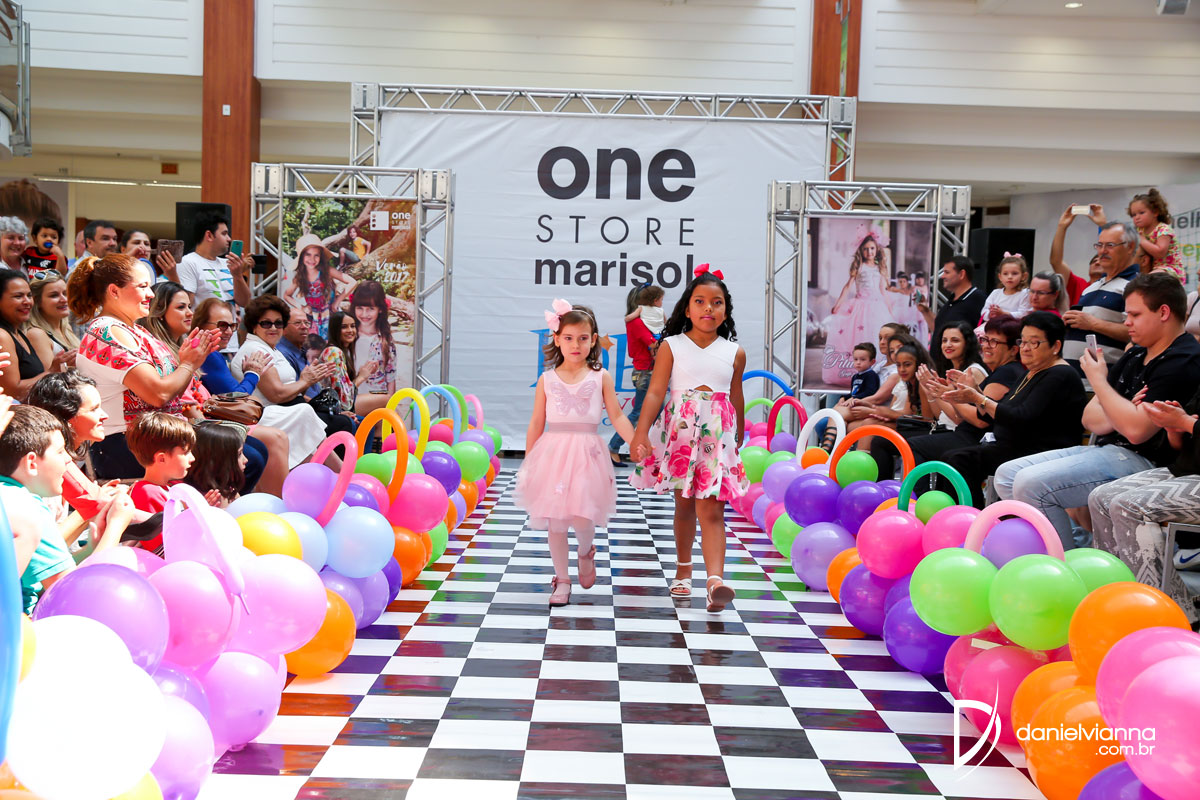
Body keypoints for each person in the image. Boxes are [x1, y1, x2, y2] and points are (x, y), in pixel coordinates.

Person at [995, 274, 1200, 547]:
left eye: (1135, 315)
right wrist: (1124, 410)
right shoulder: (1136, 353)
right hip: (1109, 449)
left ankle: (1066, 561)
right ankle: (1080, 545)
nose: (1126, 322)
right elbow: (1090, 419)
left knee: (1030, 484)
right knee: (1006, 476)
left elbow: (1136, 431)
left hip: (1146, 460)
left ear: (1163, 312)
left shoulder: (1182, 359)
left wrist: (1100, 383)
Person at [630, 264, 748, 612]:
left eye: (717, 302)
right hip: (681, 433)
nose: (708, 308)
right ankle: (684, 569)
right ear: (686, 308)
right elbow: (655, 392)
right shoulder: (672, 345)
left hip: (716, 436)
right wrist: (641, 433)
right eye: (700, 301)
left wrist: (739, 430)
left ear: (725, 310)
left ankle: (715, 582)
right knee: (684, 504)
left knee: (711, 508)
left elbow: (736, 394)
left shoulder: (734, 352)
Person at [515, 300, 634, 607]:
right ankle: (562, 579)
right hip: (553, 454)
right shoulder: (547, 379)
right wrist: (529, 462)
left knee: (583, 515)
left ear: (593, 340)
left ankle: (585, 551)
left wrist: (635, 442)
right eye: (568, 338)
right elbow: (536, 422)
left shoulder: (600, 376)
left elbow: (618, 416)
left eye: (582, 338)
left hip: (587, 454)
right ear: (556, 339)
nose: (575, 345)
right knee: (556, 519)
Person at [67, 253, 218, 479]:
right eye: (143, 286)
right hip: (125, 445)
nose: (151, 294)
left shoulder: (134, 330)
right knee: (232, 455)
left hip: (153, 439)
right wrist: (188, 364)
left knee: (238, 445)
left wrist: (191, 360)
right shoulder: (106, 332)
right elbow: (159, 394)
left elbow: (170, 391)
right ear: (114, 291)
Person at [938, 312, 1087, 509]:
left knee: (958, 461)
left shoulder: (1060, 374)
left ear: (1056, 346)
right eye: (1023, 341)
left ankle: (972, 518)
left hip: (1041, 450)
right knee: (949, 459)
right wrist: (975, 391)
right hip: (1014, 445)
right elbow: (1003, 409)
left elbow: (1021, 417)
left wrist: (977, 398)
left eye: (1034, 343)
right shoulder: (1032, 372)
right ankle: (954, 516)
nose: (1025, 348)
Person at [4, 405, 134, 612]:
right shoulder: (26, 506)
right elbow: (73, 595)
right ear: (31, 463)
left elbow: (43, 576)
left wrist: (89, 550)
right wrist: (115, 527)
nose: (68, 459)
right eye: (59, 451)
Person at [1088, 385, 1200, 622]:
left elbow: (1192, 425)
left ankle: (1169, 614)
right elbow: (1186, 449)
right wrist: (1175, 430)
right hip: (1188, 471)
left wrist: (1186, 422)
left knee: (1130, 507)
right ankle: (1116, 596)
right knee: (1101, 498)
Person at [878, 317, 1025, 482]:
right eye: (985, 340)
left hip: (969, 436)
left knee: (911, 446)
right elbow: (946, 415)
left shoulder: (985, 371)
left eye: (954, 340)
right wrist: (935, 392)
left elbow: (979, 419)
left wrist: (943, 393)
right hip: (955, 430)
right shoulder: (990, 371)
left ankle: (915, 495)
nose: (948, 345)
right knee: (883, 438)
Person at [190, 298, 290, 495]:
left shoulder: (215, 353)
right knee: (272, 440)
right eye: (222, 325)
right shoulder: (208, 353)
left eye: (232, 326)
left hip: (226, 418)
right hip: (211, 422)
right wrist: (253, 374)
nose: (228, 331)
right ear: (201, 325)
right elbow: (236, 397)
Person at [229, 294, 341, 468]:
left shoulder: (270, 348)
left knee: (312, 414)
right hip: (263, 415)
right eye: (266, 323)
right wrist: (305, 381)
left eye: (279, 323)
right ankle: (337, 470)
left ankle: (335, 470)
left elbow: (291, 390)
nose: (273, 328)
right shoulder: (256, 349)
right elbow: (276, 394)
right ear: (254, 326)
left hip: (283, 410)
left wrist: (305, 382)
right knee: (305, 412)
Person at [1061, 221, 1141, 371]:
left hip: (1104, 379)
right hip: (1075, 376)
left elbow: (1138, 332)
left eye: (1110, 245)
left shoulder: (1137, 285)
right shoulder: (1091, 287)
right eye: (1099, 245)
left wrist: (1093, 323)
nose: (1102, 251)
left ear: (1130, 247)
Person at [823, 224, 894, 387]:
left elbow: (883, 291)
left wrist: (890, 311)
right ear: (861, 251)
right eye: (866, 249)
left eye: (872, 249)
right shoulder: (859, 266)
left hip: (877, 306)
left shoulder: (880, 268)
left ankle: (877, 373)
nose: (869, 252)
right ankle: (856, 371)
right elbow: (848, 286)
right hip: (861, 306)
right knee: (858, 337)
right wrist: (838, 304)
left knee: (877, 336)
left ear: (877, 250)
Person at [176, 210, 252, 351]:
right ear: (209, 235)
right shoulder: (188, 262)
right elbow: (187, 305)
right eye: (224, 234)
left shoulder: (227, 264)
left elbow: (245, 302)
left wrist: (238, 275)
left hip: (230, 344)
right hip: (204, 345)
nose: (229, 239)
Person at [125, 412, 196, 551]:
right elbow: (161, 546)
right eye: (186, 452)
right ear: (161, 459)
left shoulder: (168, 487)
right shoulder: (147, 492)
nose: (192, 458)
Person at [611, 284, 661, 464]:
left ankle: (652, 451)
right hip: (645, 372)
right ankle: (614, 447)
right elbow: (653, 344)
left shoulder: (642, 322)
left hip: (648, 371)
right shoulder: (637, 323)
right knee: (641, 412)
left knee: (657, 413)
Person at [919, 321, 988, 432]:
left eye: (955, 340)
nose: (948, 345)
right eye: (944, 340)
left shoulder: (972, 372)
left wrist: (937, 391)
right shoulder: (951, 371)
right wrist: (930, 392)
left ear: (967, 343)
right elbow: (941, 416)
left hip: (962, 434)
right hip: (944, 430)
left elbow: (958, 420)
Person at [285, 234, 357, 339]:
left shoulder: (327, 271)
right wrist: (301, 307)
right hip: (313, 320)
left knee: (332, 342)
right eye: (308, 255)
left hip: (331, 317)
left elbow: (352, 282)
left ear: (321, 257)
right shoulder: (300, 276)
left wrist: (337, 301)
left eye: (316, 255)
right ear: (301, 257)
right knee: (316, 345)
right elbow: (287, 295)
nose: (312, 259)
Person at [0, 269, 57, 399]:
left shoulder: (18, 333)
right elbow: (13, 392)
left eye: (29, 295)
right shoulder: (2, 336)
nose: (27, 302)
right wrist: (52, 372)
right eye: (18, 296)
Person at [920, 255, 985, 352]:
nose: (942, 276)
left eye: (947, 272)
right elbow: (939, 329)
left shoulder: (978, 299)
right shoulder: (951, 301)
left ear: (962, 274)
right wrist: (925, 311)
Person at [348, 280, 396, 405]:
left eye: (370, 309)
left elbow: (390, 377)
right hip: (350, 402)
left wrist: (390, 407)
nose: (364, 314)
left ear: (380, 309)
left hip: (376, 402)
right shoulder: (347, 336)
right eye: (360, 308)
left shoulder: (385, 340)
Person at [1050, 203, 1108, 305]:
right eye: (1094, 261)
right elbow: (1056, 261)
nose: (1097, 262)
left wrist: (1104, 225)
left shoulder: (1115, 286)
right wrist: (1062, 226)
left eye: (1101, 260)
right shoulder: (1078, 284)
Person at [183, 421, 249, 509]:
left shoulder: (229, 491)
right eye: (239, 454)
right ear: (218, 461)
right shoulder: (189, 497)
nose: (246, 460)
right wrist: (202, 511)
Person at [1129, 188, 1184, 282]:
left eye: (1141, 213)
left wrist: (1142, 240)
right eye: (1134, 215)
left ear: (1155, 212)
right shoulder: (1140, 231)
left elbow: (1160, 253)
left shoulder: (1163, 229)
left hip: (1169, 269)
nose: (1137, 217)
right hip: (1151, 268)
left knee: (1151, 279)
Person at [28, 271, 79, 369]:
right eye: (54, 295)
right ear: (37, 301)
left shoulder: (66, 327)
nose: (64, 299)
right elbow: (49, 376)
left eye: (65, 293)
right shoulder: (37, 334)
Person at [976, 254, 1031, 334]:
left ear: (1024, 276)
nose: (1009, 277)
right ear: (1000, 277)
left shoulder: (1025, 293)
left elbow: (1024, 314)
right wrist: (990, 314)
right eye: (1005, 274)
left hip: (1013, 329)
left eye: (1014, 273)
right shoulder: (995, 293)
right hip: (994, 326)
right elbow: (984, 311)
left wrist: (1003, 314)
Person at [140, 282, 193, 358]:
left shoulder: (186, 349)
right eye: (181, 307)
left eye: (189, 307)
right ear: (159, 311)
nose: (190, 313)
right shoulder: (151, 351)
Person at [276, 305, 319, 400]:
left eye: (306, 323)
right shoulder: (282, 354)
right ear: (283, 328)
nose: (304, 327)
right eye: (297, 323)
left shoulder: (300, 349)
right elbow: (292, 394)